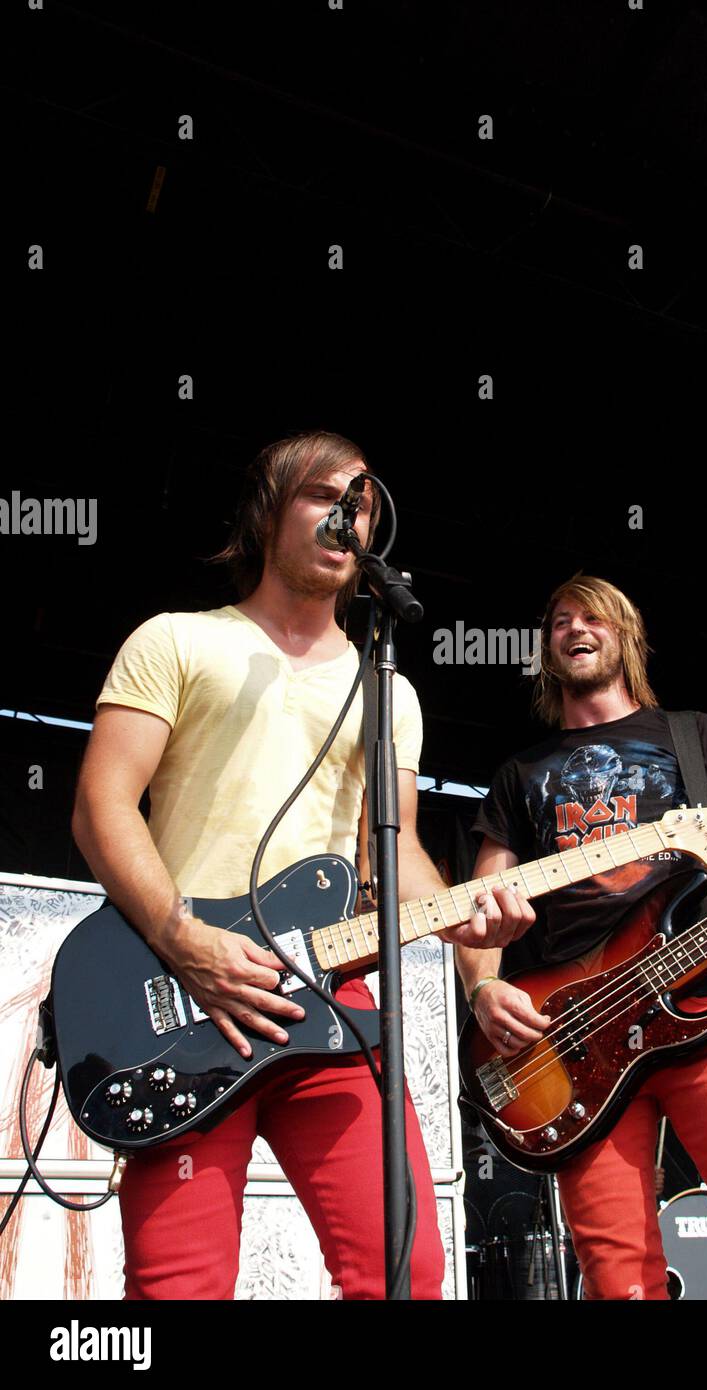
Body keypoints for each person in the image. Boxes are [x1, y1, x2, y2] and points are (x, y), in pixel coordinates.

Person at [71, 430, 533, 1300]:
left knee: (405, 1273)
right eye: (323, 494)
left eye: (361, 500)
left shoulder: (387, 688)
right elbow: (101, 806)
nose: (346, 511)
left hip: (336, 1000)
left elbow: (391, 856)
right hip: (192, 996)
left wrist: (478, 965)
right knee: (178, 1284)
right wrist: (186, 942)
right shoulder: (175, 640)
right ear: (266, 514)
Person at [455, 574, 707, 1300]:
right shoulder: (519, 774)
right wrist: (483, 986)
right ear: (547, 647)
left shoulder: (692, 735)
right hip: (574, 1037)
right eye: (558, 621)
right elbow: (481, 901)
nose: (575, 629)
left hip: (704, 1002)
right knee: (617, 1278)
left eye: (593, 618)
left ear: (625, 635)